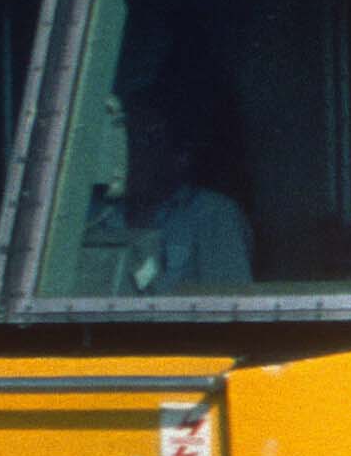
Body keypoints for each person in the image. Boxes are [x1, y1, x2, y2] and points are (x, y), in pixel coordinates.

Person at [99, 65, 255, 293]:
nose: (132, 151)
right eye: (128, 138)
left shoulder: (213, 216)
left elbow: (229, 310)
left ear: (181, 156)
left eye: (148, 141)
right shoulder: (99, 216)